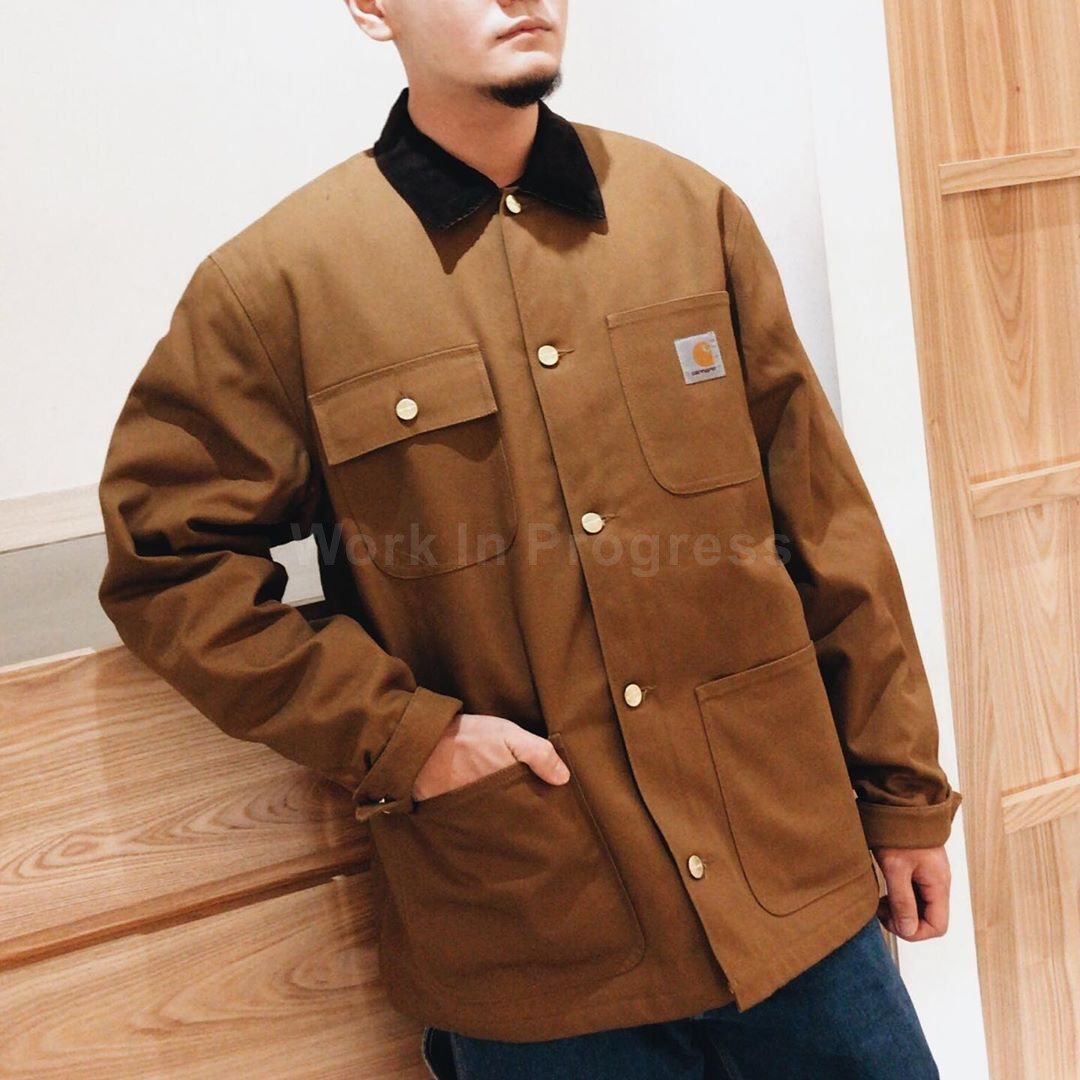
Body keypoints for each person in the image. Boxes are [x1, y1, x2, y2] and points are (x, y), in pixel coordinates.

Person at [96, 1, 963, 1076]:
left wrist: (902, 794)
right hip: (538, 941)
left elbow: (826, 525)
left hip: (793, 893)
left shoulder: (691, 216)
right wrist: (404, 736)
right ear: (371, 7)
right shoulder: (278, 286)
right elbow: (170, 564)